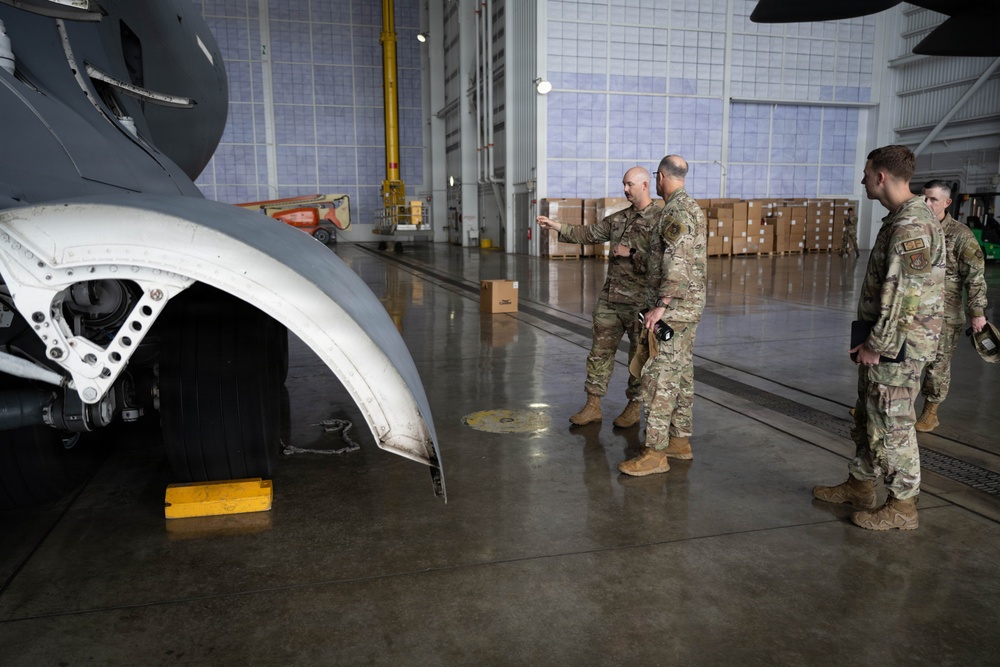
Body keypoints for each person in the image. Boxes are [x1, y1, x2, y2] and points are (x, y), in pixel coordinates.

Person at [813, 145, 945, 531]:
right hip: (885, 342)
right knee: (870, 417)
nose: (862, 179)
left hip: (897, 348)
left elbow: (905, 296)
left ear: (881, 177)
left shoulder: (911, 227)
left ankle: (903, 505)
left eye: (866, 172)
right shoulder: (900, 219)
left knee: (892, 422)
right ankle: (860, 484)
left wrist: (878, 346)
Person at [536, 166, 662, 428]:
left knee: (639, 357)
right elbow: (589, 234)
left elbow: (667, 263)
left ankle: (634, 406)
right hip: (611, 300)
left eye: (629, 184)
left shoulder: (660, 220)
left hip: (642, 304)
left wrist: (632, 254)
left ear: (645, 185)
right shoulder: (619, 219)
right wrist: (555, 225)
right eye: (624, 184)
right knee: (598, 353)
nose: (625, 189)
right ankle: (592, 405)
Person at [617, 155, 707, 477]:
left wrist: (662, 305)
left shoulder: (676, 211)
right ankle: (679, 442)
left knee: (658, 374)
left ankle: (654, 452)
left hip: (674, 310)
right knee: (681, 373)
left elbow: (678, 260)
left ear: (659, 178)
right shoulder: (690, 207)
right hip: (687, 309)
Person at [915, 180, 988, 432]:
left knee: (938, 365)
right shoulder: (916, 228)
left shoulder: (960, 235)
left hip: (946, 314)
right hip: (914, 311)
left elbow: (975, 276)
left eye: (933, 199)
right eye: (924, 198)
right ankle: (888, 407)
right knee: (907, 361)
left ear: (947, 202)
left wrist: (977, 313)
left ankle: (930, 412)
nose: (927, 203)